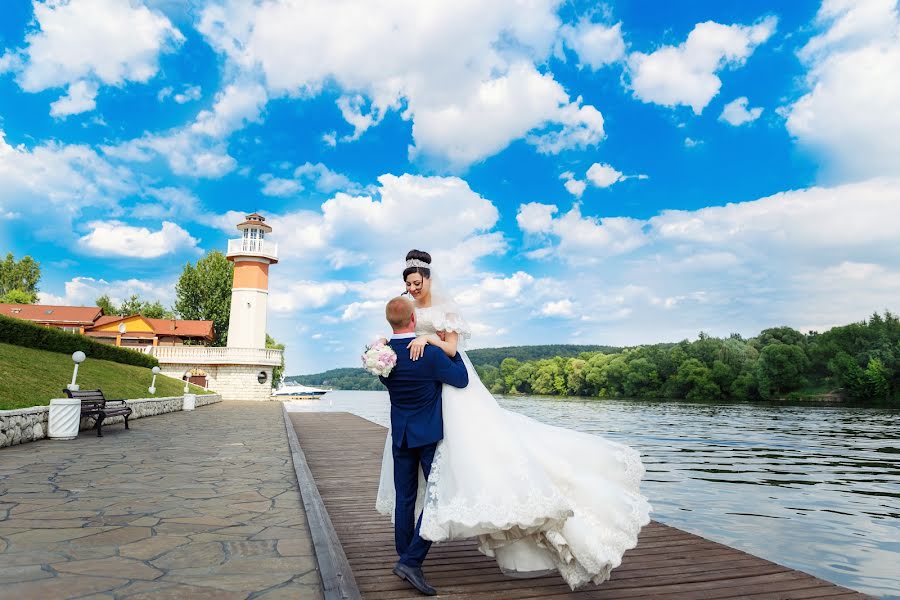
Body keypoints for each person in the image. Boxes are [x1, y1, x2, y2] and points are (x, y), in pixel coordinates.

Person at [376, 250, 652, 590]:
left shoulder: (444, 311)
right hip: (428, 394)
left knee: (463, 469)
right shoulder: (406, 312)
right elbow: (403, 336)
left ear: (429, 280)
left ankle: (411, 558)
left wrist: (429, 339)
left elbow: (452, 350)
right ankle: (409, 559)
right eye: (408, 284)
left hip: (446, 390)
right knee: (429, 488)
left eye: (417, 283)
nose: (413, 289)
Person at [379, 296, 469, 596]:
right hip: (428, 436)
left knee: (405, 498)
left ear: (389, 322)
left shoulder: (380, 355)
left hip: (401, 436)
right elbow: (461, 379)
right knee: (437, 497)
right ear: (414, 320)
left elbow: (388, 382)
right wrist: (449, 350)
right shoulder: (428, 354)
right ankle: (411, 561)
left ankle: (405, 557)